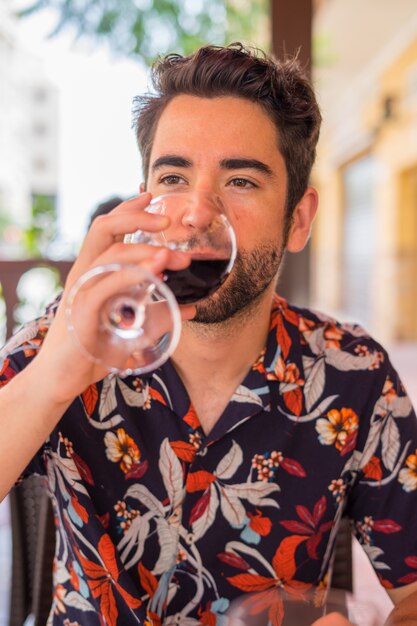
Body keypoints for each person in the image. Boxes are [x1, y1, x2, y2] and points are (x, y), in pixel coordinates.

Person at [0, 43, 416, 626]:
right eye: (173, 176)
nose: (197, 211)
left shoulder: (354, 373)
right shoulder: (72, 334)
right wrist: (50, 380)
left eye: (241, 180)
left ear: (298, 219)